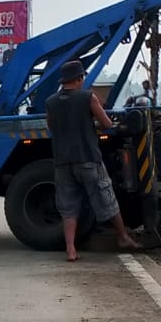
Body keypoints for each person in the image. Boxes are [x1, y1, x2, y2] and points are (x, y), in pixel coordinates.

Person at [44, 59, 140, 262]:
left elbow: (52, 127)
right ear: (79, 78)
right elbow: (106, 124)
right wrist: (93, 124)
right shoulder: (88, 97)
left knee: (68, 206)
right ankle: (123, 237)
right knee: (106, 198)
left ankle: (70, 249)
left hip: (62, 161)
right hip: (87, 158)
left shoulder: (51, 102)